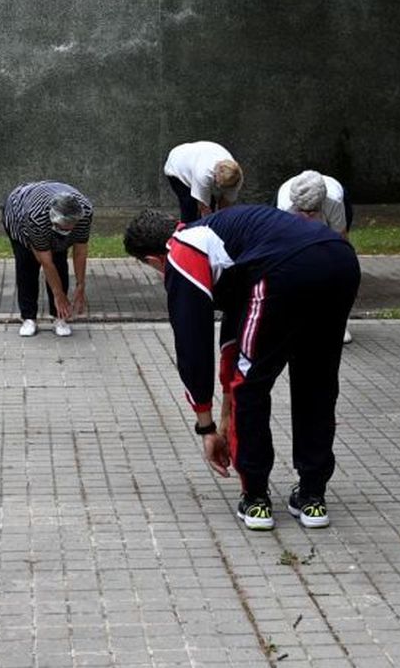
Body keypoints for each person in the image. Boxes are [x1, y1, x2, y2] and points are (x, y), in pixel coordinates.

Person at [127, 206, 359, 530]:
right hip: (340, 261)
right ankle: (312, 496)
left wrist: (206, 427)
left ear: (153, 260)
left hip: (283, 271)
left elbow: (192, 342)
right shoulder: (223, 236)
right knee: (316, 382)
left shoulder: (181, 249)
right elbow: (234, 333)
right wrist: (223, 409)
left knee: (251, 387)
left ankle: (256, 498)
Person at [2, 181, 92, 338]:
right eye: (64, 226)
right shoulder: (36, 217)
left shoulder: (85, 213)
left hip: (45, 201)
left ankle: (59, 317)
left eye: (71, 226)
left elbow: (80, 252)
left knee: (60, 261)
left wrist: (80, 285)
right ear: (54, 218)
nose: (68, 230)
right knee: (27, 265)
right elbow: (46, 262)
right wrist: (59, 294)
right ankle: (29, 318)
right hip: (18, 212)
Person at [277, 170, 356, 344]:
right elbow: (285, 246)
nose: (307, 216)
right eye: (302, 211)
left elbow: (340, 242)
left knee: (335, 264)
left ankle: (340, 323)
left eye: (312, 211)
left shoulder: (334, 201)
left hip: (334, 211)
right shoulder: (284, 205)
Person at [163, 141, 244, 224]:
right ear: (215, 175)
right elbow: (204, 208)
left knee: (212, 203)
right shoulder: (203, 174)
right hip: (177, 165)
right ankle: (186, 232)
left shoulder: (236, 177)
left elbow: (225, 204)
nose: (221, 188)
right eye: (220, 185)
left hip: (200, 157)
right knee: (190, 206)